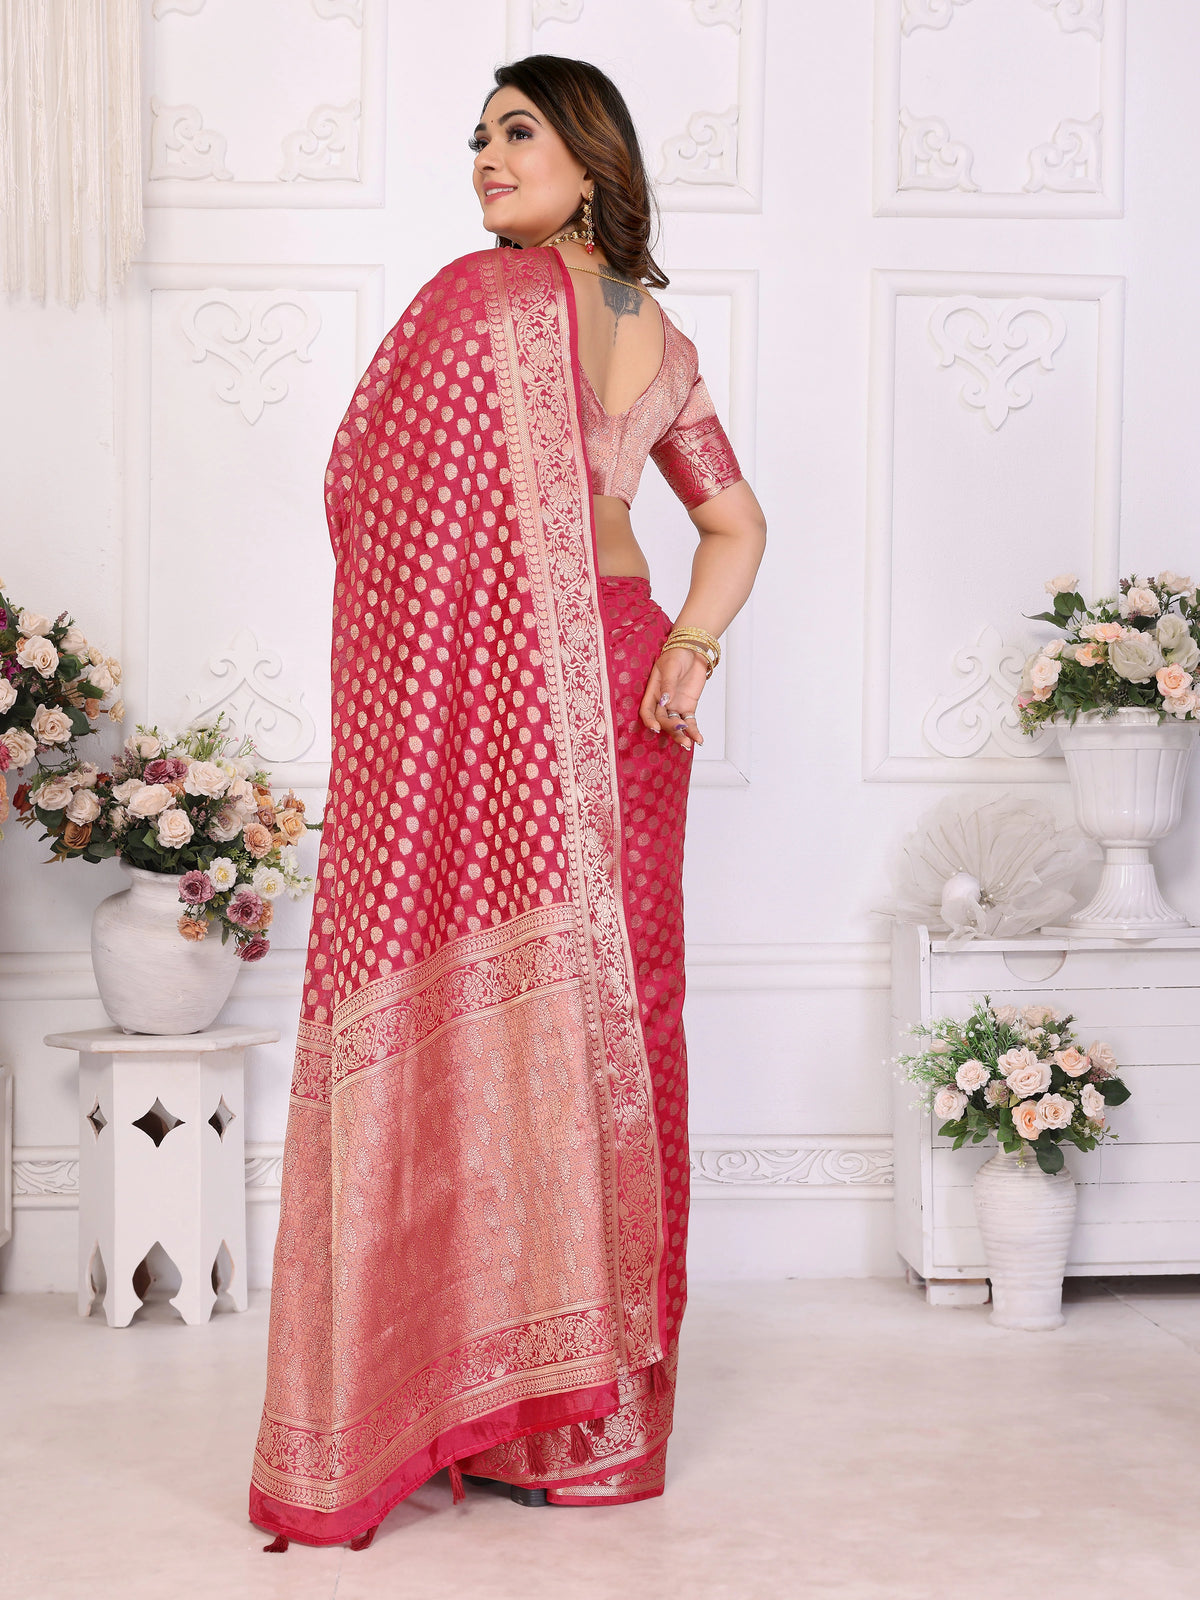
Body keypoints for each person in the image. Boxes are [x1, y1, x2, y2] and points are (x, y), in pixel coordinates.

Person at [248, 53, 767, 1551]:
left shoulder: (479, 308)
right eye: (478, 137)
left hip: (517, 703)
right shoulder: (651, 334)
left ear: (588, 156)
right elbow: (729, 522)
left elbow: (361, 486)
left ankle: (453, 1389)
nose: (486, 158)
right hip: (620, 684)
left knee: (521, 1022)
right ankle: (589, 1426)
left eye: (517, 131)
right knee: (610, 1022)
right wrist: (686, 642)